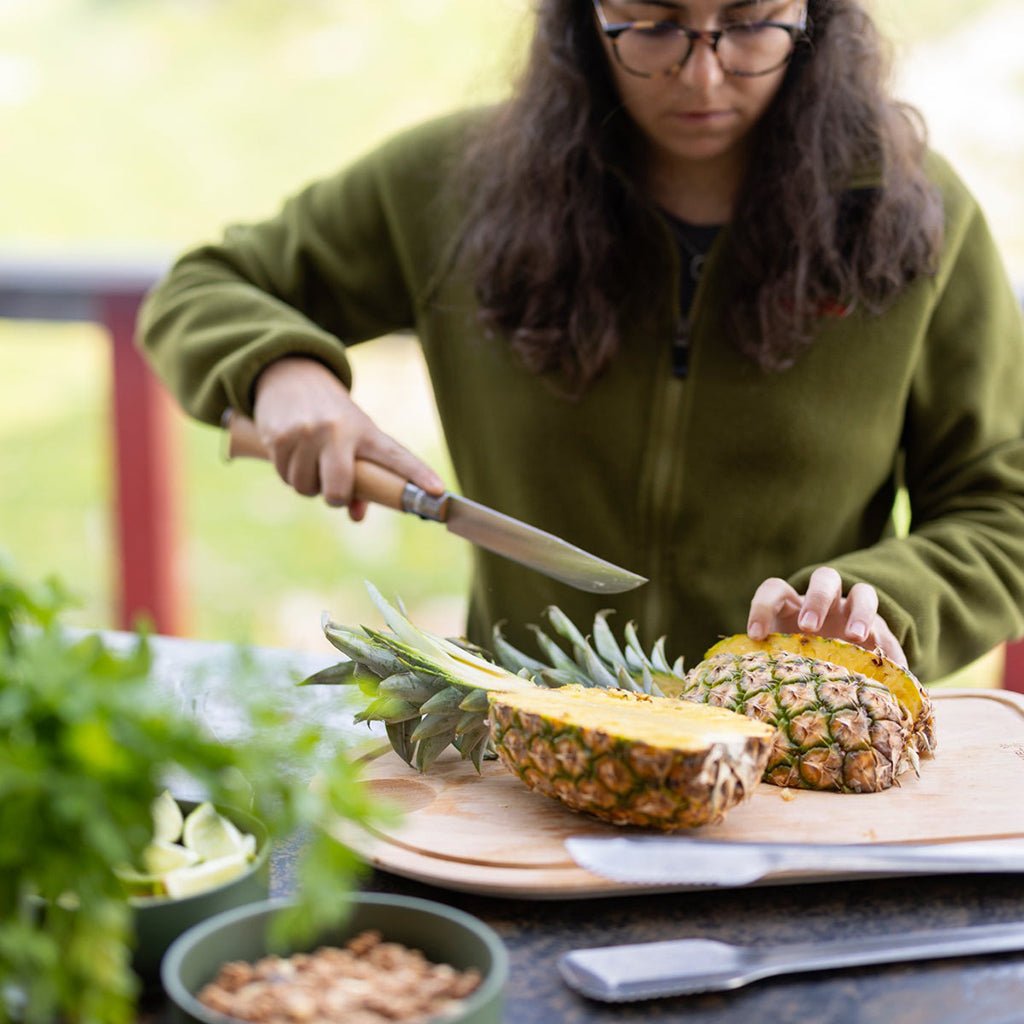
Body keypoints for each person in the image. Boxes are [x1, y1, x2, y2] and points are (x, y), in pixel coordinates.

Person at [137, 0, 1024, 683]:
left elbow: (1004, 510)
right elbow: (202, 287)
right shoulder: (448, 185)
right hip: (518, 759)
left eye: (752, 24)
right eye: (651, 25)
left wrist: (888, 605)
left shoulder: (917, 220)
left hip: (803, 778)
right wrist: (279, 372)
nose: (704, 78)